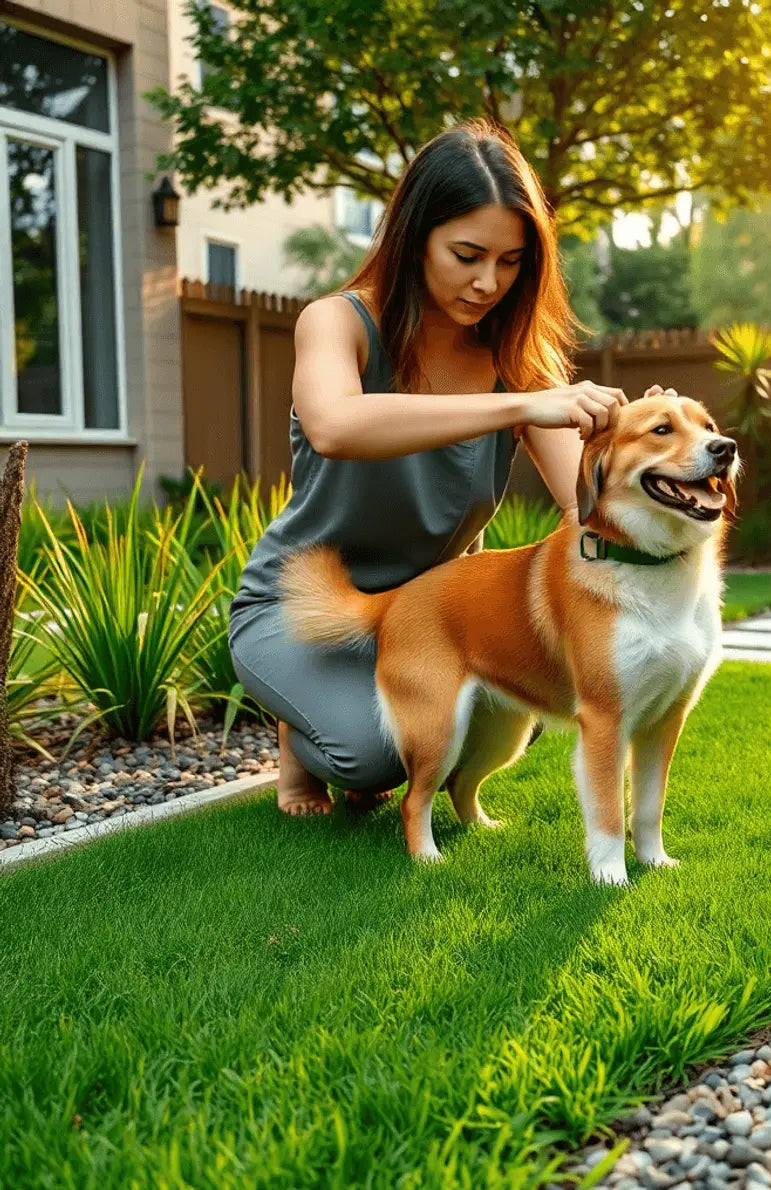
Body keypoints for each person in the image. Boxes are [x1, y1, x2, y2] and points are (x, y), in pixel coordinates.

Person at [228, 118, 644, 817]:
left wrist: (639, 447)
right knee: (372, 761)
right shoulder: (336, 324)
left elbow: (587, 511)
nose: (488, 282)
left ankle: (369, 715)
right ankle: (299, 746)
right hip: (306, 608)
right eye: (467, 254)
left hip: (433, 622)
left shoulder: (519, 362)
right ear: (414, 235)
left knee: (540, 688)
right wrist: (513, 409)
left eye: (510, 262)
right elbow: (335, 426)